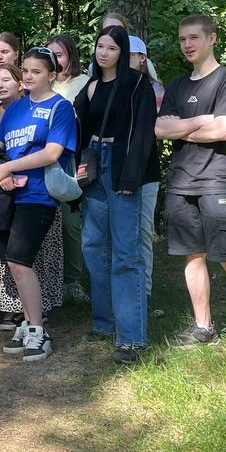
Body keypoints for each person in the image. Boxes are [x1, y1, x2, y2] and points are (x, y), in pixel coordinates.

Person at [156, 14, 226, 355]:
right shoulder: (176, 86)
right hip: (180, 182)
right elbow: (160, 130)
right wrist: (204, 119)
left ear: (211, 39)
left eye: (193, 38)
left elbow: (223, 131)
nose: (187, 44)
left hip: (217, 180)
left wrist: (185, 126)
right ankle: (203, 326)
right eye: (182, 39)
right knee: (193, 256)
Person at [73, 26, 160, 365]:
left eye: (111, 47)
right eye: (99, 46)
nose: (103, 52)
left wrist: (130, 177)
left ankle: (132, 338)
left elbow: (143, 136)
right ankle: (104, 322)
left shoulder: (137, 85)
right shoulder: (90, 86)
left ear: (123, 52)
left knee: (126, 251)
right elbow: (79, 129)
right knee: (94, 246)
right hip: (94, 167)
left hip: (122, 168)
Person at [0, 48, 77, 361]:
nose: (28, 76)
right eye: (25, 71)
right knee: (18, 261)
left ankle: (38, 331)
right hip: (10, 195)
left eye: (36, 71)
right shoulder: (14, 109)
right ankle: (28, 324)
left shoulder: (60, 107)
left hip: (39, 195)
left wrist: (10, 167)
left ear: (51, 75)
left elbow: (52, 153)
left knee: (19, 261)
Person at [48, 32, 91, 303]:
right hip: (41, 160)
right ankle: (48, 280)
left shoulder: (84, 83)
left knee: (71, 223)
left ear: (70, 56)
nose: (55, 60)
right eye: (50, 55)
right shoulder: (38, 82)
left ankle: (73, 280)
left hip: (71, 161)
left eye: (59, 55)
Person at [129, 35, 163, 298]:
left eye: (131, 54)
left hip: (146, 170)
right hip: (116, 170)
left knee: (141, 232)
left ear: (142, 57)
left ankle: (144, 291)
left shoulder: (156, 90)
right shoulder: (107, 86)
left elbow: (158, 130)